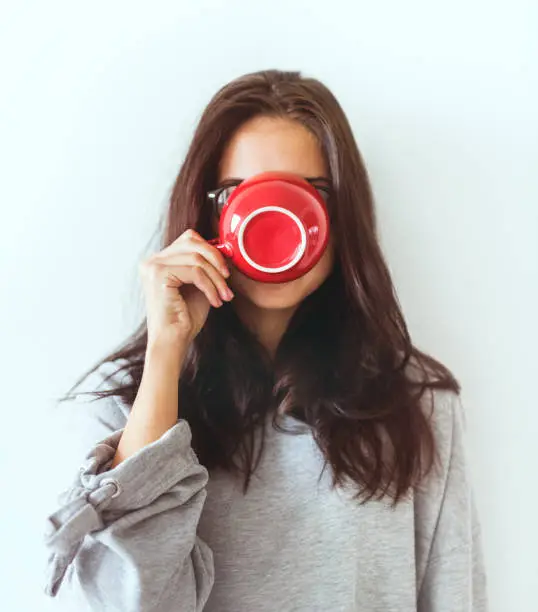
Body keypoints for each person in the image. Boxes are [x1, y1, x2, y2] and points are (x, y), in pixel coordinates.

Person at [43, 69, 487, 612]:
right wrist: (166, 351)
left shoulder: (415, 402)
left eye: (311, 193)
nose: (276, 216)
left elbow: (454, 596)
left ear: (342, 216)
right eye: (241, 194)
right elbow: (128, 603)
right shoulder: (128, 403)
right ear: (209, 212)